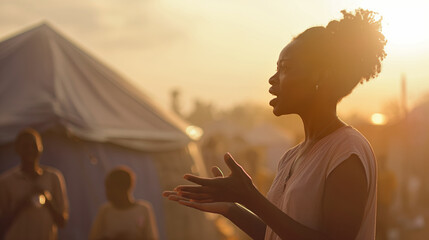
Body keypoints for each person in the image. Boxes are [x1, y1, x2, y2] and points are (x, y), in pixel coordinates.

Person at [163, 8, 386, 240]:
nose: (272, 79)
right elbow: (275, 235)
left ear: (320, 75)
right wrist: (231, 209)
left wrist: (252, 199)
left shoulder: (346, 151)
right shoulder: (291, 157)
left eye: (285, 68)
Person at [0, 128, 69, 240]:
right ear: (17, 149)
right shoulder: (6, 182)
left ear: (41, 148)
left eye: (34, 145)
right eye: (26, 146)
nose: (30, 150)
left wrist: (48, 200)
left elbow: (63, 221)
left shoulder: (53, 178)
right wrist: (22, 203)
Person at [89, 166, 159, 240]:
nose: (107, 192)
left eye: (110, 188)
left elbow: (151, 237)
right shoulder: (105, 211)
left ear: (125, 187)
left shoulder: (143, 209)